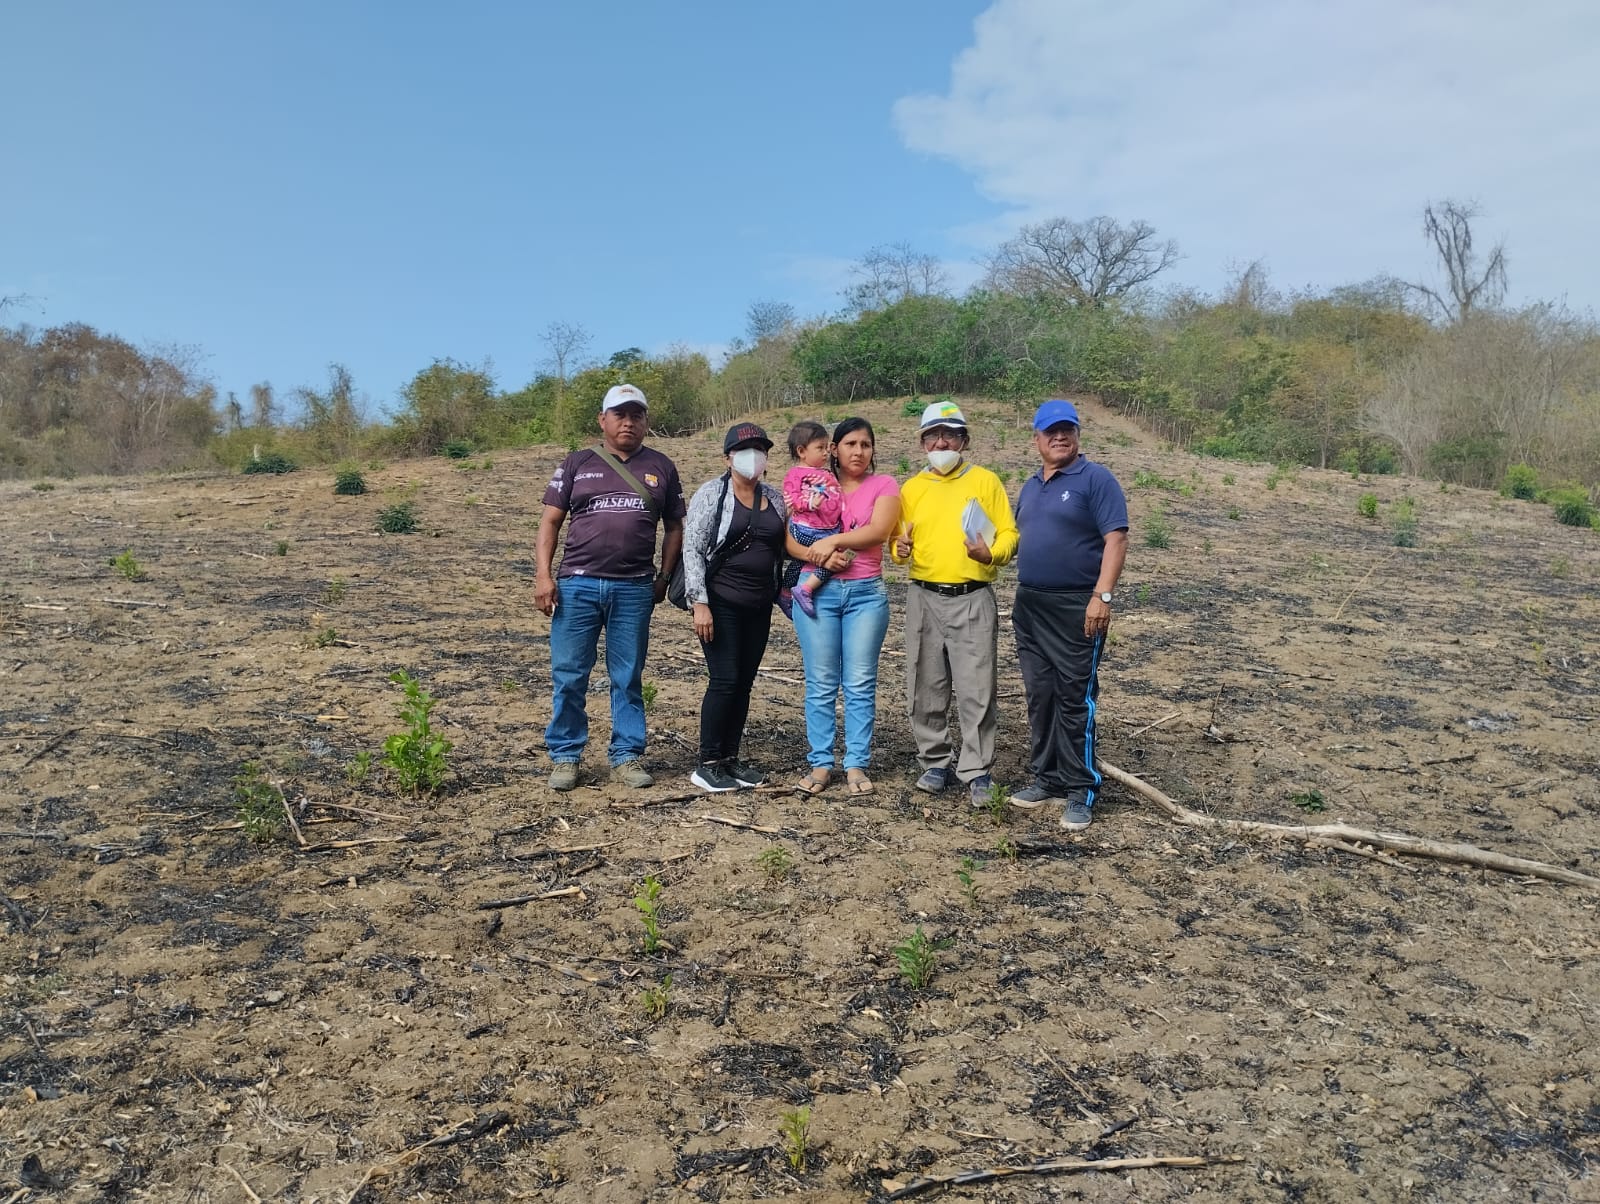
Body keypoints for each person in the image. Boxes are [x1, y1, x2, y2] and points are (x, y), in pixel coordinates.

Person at [535, 383, 686, 791]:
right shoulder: (577, 463)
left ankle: (626, 755)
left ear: (646, 422)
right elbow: (550, 521)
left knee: (627, 675)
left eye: (637, 415)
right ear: (603, 420)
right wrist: (544, 576)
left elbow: (675, 526)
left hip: (634, 589)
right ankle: (566, 756)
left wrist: (664, 576)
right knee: (569, 674)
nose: (628, 422)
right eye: (620, 414)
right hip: (577, 586)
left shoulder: (662, 466)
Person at [890, 400, 1019, 807]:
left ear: (964, 440)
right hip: (924, 595)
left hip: (972, 596)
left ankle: (977, 769)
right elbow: (897, 541)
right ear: (922, 442)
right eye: (933, 436)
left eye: (950, 435)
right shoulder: (911, 489)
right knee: (925, 682)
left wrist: (991, 554)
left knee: (977, 687)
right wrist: (899, 550)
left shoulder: (985, 481)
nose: (941, 443)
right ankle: (934, 761)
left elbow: (1009, 534)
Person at [1009, 399, 1128, 831]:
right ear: (1036, 439)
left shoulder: (1095, 479)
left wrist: (1102, 596)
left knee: (1075, 697)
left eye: (1067, 430)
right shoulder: (1030, 486)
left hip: (1077, 605)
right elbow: (1021, 539)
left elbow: (1116, 539)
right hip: (1031, 605)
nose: (1059, 437)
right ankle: (1047, 777)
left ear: (1077, 435)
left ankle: (1081, 788)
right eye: (1051, 431)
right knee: (1041, 695)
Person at [788, 418, 901, 797]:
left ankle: (856, 763)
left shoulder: (884, 485)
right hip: (816, 592)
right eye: (850, 444)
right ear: (834, 449)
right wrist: (816, 555)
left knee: (859, 682)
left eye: (866, 444)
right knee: (820, 682)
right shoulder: (813, 480)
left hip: (865, 595)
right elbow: (788, 538)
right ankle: (821, 763)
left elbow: (879, 531)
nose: (859, 451)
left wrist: (833, 541)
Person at [681, 422, 788, 792]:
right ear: (727, 457)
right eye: (744, 450)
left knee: (744, 682)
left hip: (759, 605)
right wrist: (700, 604)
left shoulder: (774, 498)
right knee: (724, 679)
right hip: (721, 602)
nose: (753, 456)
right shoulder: (712, 494)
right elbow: (693, 549)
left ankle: (730, 758)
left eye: (761, 449)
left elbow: (782, 546)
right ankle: (708, 762)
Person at [780, 420, 842, 619]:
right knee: (834, 557)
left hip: (827, 527)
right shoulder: (796, 474)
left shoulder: (826, 473)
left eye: (826, 448)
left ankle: (785, 590)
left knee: (800, 561)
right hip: (806, 528)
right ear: (801, 451)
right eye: (820, 448)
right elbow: (790, 498)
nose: (826, 453)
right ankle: (805, 589)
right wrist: (808, 503)